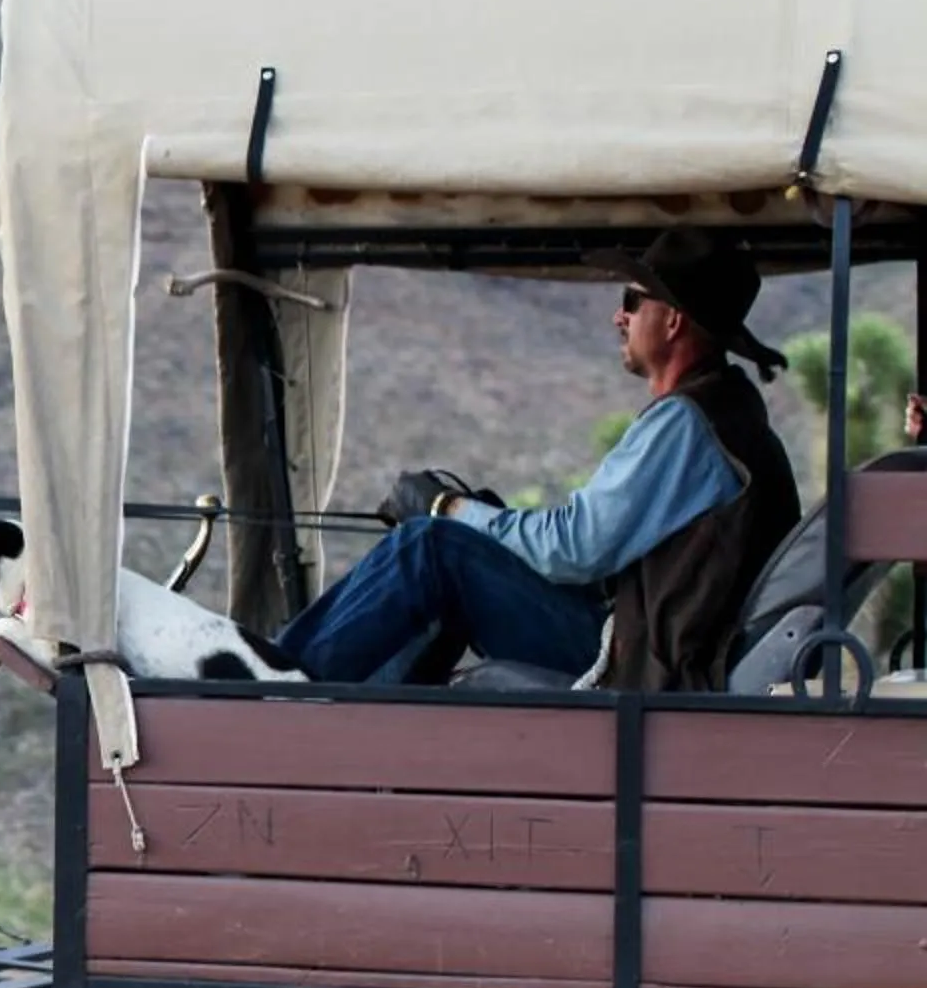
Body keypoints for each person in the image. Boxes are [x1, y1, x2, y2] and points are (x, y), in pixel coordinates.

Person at [277, 227, 799, 691]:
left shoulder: (687, 425)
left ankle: (272, 687)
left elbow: (574, 547)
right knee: (454, 553)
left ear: (672, 322)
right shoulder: (725, 416)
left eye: (632, 300)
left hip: (644, 666)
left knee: (431, 548)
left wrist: (451, 509)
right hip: (653, 647)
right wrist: (485, 529)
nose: (619, 316)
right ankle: (339, 707)